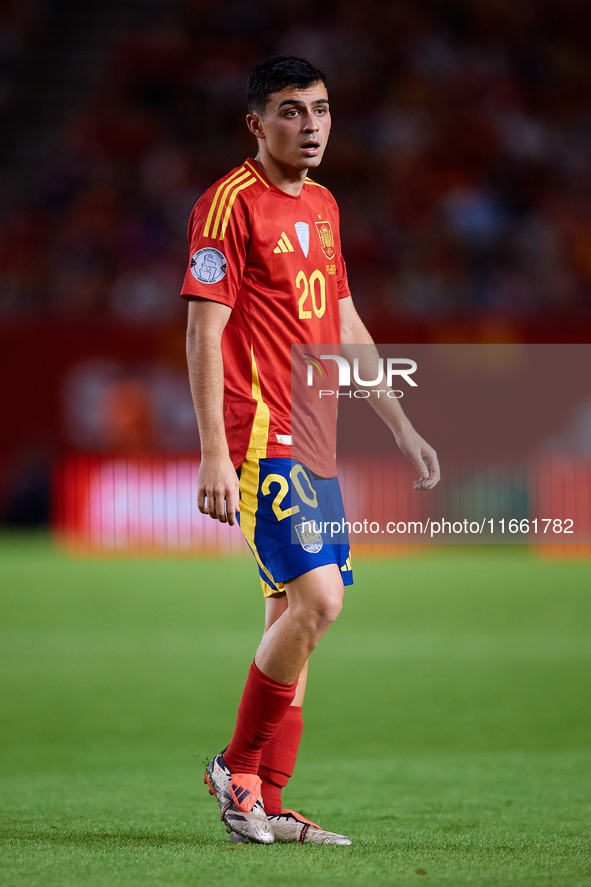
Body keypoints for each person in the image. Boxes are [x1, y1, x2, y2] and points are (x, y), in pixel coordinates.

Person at [182, 56, 440, 845]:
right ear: (256, 124)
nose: (312, 125)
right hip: (262, 436)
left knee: (297, 621)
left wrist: (398, 420)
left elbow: (347, 323)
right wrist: (214, 454)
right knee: (321, 600)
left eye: (321, 109)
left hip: (319, 439)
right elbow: (203, 328)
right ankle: (233, 766)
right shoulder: (227, 205)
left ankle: (263, 798)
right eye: (292, 111)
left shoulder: (324, 205)